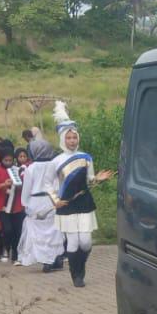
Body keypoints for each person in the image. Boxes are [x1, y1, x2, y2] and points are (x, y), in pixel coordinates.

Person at [52, 108, 113, 288]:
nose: (72, 141)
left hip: (84, 202)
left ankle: (81, 266)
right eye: (69, 138)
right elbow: (49, 184)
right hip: (66, 205)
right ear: (63, 139)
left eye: (74, 137)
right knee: (73, 242)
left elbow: (89, 180)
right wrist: (55, 200)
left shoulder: (86, 158)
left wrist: (97, 179)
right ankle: (76, 275)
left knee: (85, 242)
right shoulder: (56, 161)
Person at [17, 136, 65, 271]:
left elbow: (27, 188)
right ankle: (53, 259)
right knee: (52, 231)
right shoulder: (54, 166)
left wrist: (25, 203)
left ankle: (45, 259)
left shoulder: (31, 168)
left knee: (38, 232)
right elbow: (58, 185)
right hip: (51, 200)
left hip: (35, 201)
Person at [0, 148, 27, 264]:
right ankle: (6, 248)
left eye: (10, 160)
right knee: (7, 230)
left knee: (17, 230)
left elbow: (25, 185)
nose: (8, 162)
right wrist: (3, 184)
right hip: (3, 206)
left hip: (17, 205)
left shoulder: (18, 170)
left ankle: (16, 254)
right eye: (6, 160)